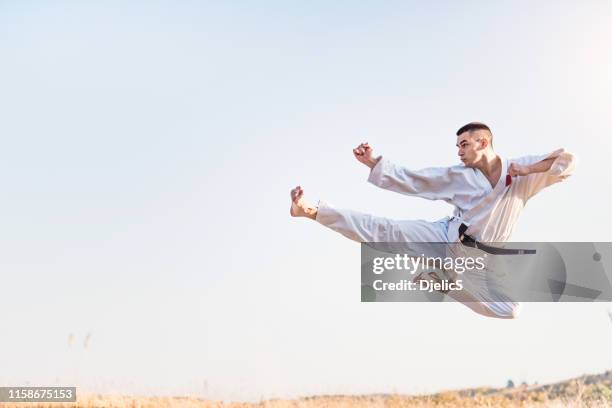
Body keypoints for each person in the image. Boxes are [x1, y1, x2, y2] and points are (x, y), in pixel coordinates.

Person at [289, 122, 577, 318]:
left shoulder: (520, 174)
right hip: (446, 237)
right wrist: (373, 162)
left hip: (481, 260)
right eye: (457, 146)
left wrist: (528, 170)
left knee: (510, 309)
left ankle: (444, 284)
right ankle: (311, 211)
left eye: (464, 144)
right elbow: (417, 180)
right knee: (385, 230)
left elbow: (567, 162)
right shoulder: (459, 176)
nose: (459, 151)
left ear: (483, 142)